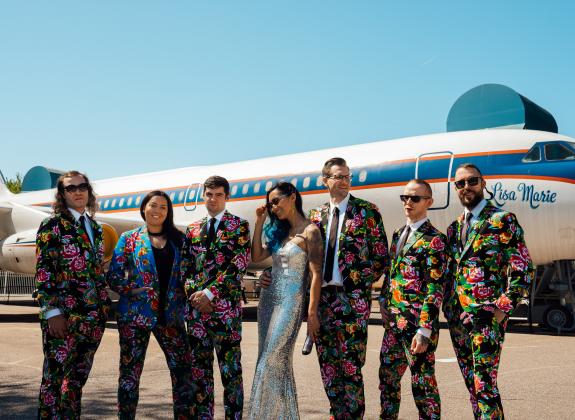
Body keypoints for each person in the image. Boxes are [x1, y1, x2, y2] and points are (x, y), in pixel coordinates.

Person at [443, 163, 534, 419]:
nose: (466, 187)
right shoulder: (454, 227)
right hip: (458, 319)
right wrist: (448, 308)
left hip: (486, 318)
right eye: (460, 183)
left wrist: (501, 309)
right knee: (473, 386)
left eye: (472, 181)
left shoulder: (502, 220)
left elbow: (523, 269)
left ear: (483, 183)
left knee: (485, 387)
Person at [309, 157, 390, 419]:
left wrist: (359, 286)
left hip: (351, 301)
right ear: (325, 181)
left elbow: (380, 258)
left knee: (351, 368)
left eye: (347, 177)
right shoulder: (315, 216)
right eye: (338, 177)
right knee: (328, 368)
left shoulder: (367, 212)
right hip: (323, 301)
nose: (344, 181)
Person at [107, 190, 194, 419]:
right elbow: (113, 275)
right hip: (135, 316)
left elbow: (191, 273)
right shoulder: (129, 239)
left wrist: (191, 291)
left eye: (163, 207)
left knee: (184, 374)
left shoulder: (179, 240)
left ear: (169, 212)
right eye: (153, 205)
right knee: (129, 376)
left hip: (172, 317)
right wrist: (130, 289)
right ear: (144, 208)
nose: (157, 211)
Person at [35, 170, 111, 418]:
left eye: (82, 187)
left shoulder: (96, 228)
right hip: (64, 319)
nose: (78, 192)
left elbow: (96, 271)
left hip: (92, 319)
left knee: (76, 383)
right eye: (71, 188)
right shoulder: (52, 225)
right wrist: (52, 312)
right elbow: (44, 272)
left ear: (89, 191)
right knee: (54, 382)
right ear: (62, 194)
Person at [248, 182, 323, 419]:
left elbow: (316, 275)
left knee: (272, 359)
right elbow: (258, 257)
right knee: (270, 361)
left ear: (292, 198)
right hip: (268, 302)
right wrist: (260, 222)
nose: (273, 207)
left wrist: (311, 314)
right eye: (270, 203)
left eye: (276, 201)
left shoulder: (311, 231)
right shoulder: (280, 231)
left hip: (291, 304)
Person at [181, 175, 251, 420]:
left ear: (227, 197)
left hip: (225, 314)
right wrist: (194, 296)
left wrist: (209, 293)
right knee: (200, 375)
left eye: (218, 194)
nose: (213, 199)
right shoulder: (192, 229)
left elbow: (238, 265)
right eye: (209, 194)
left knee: (231, 374)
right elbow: (185, 268)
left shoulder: (239, 226)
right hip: (197, 315)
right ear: (203, 196)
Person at [378, 179, 448, 420]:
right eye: (405, 197)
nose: (408, 202)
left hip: (418, 327)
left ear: (428, 202)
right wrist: (383, 301)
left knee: (423, 387)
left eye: (415, 198)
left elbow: (435, 287)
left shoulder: (435, 240)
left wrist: (425, 330)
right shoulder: (398, 233)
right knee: (387, 381)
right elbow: (392, 273)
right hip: (393, 326)